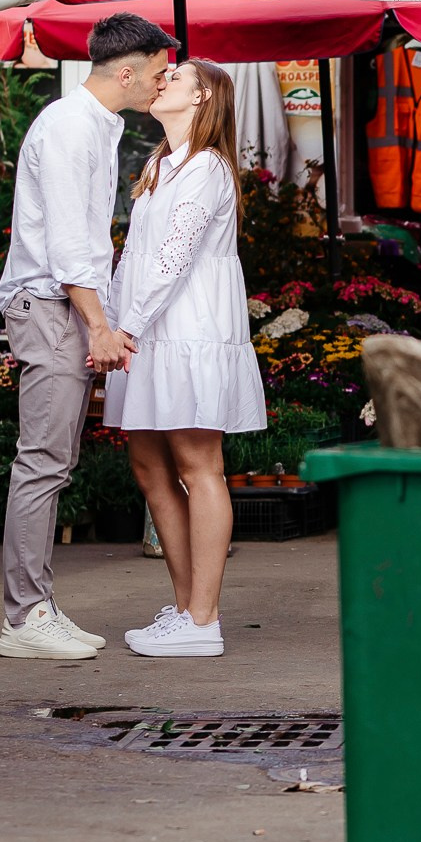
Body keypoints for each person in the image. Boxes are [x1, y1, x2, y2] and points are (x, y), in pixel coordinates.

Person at [0, 11, 177, 661]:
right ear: (127, 72)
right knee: (43, 461)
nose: (163, 82)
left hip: (60, 306)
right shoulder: (72, 127)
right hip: (50, 305)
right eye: (159, 72)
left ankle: (36, 606)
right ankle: (24, 617)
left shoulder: (97, 124)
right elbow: (71, 241)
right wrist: (98, 325)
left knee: (53, 461)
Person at [104, 59, 264, 658]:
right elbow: (134, 256)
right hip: (148, 330)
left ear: (202, 99)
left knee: (200, 466)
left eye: (177, 77)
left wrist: (127, 326)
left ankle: (204, 619)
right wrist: (110, 324)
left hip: (190, 328)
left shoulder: (206, 169)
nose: (162, 80)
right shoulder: (159, 165)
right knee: (148, 464)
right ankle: (183, 609)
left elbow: (176, 259)